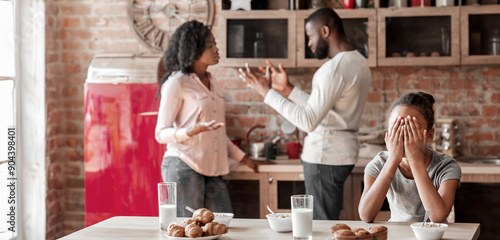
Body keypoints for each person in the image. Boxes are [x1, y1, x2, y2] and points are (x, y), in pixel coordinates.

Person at [238, 8, 372, 220]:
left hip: (324, 157)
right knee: (328, 221)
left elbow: (308, 121)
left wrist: (267, 92)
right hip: (342, 155)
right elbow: (324, 111)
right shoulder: (358, 62)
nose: (309, 44)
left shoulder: (332, 69)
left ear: (325, 31)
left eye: (311, 36)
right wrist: (288, 89)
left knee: (321, 225)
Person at [155, 20, 265, 217]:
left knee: (222, 226)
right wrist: (190, 131)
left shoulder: (211, 81)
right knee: (190, 232)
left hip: (212, 169)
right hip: (183, 165)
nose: (216, 49)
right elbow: (161, 133)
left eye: (215, 43)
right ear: (194, 49)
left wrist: (244, 159)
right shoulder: (177, 83)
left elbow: (215, 130)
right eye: (210, 45)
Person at [358, 92, 461, 223]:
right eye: (397, 128)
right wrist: (393, 160)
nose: (404, 135)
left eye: (412, 128)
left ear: (429, 135)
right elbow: (366, 215)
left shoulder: (446, 166)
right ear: (388, 135)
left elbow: (437, 217)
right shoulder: (379, 163)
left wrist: (415, 160)